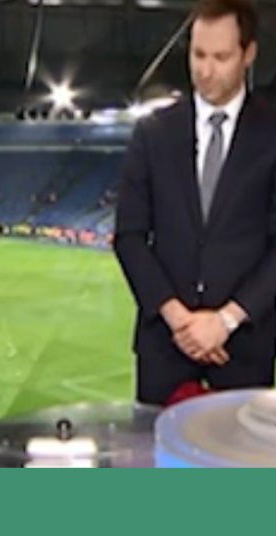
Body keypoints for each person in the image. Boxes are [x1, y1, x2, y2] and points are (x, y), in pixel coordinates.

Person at [114, 0, 276, 405]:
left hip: (243, 350)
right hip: (164, 348)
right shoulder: (153, 133)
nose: (205, 70)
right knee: (157, 446)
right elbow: (129, 236)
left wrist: (225, 321)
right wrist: (179, 320)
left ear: (249, 54)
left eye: (221, 57)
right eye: (198, 55)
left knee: (235, 449)